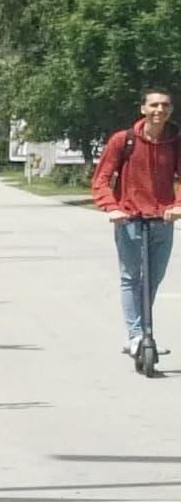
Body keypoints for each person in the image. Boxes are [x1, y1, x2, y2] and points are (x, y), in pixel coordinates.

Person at [92, 89, 177, 371]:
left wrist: (178, 205)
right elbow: (101, 179)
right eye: (154, 105)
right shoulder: (123, 140)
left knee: (152, 279)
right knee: (131, 277)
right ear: (143, 108)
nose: (159, 110)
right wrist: (111, 207)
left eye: (165, 105)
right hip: (128, 218)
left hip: (162, 221)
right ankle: (136, 335)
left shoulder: (175, 141)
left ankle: (144, 333)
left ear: (171, 110)